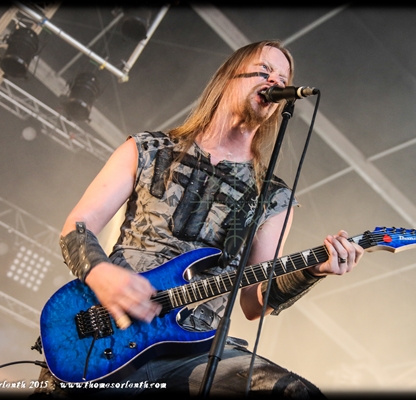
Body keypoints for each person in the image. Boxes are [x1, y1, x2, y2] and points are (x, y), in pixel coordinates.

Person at [31, 40, 364, 398]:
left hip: (193, 353)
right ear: (228, 77)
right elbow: (77, 226)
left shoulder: (274, 197)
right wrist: (102, 275)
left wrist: (312, 271)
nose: (275, 82)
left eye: (283, 79)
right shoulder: (147, 149)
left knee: (293, 393)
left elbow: (253, 302)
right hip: (110, 329)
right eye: (264, 71)